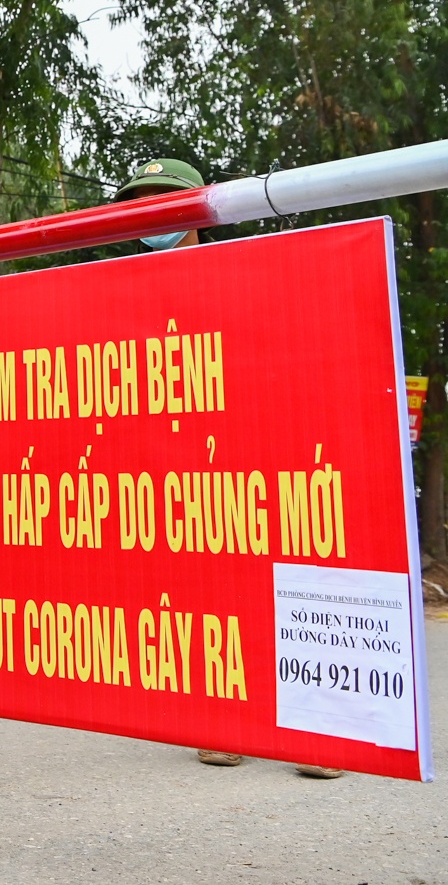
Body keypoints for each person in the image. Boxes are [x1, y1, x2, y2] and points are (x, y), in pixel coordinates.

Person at [115, 157, 343, 781]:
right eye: (139, 201)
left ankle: (317, 728)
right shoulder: (113, 292)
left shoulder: (246, 273)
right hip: (171, 466)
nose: (152, 212)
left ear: (200, 209)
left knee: (288, 584)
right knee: (203, 594)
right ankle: (221, 718)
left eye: (165, 199)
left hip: (253, 453)